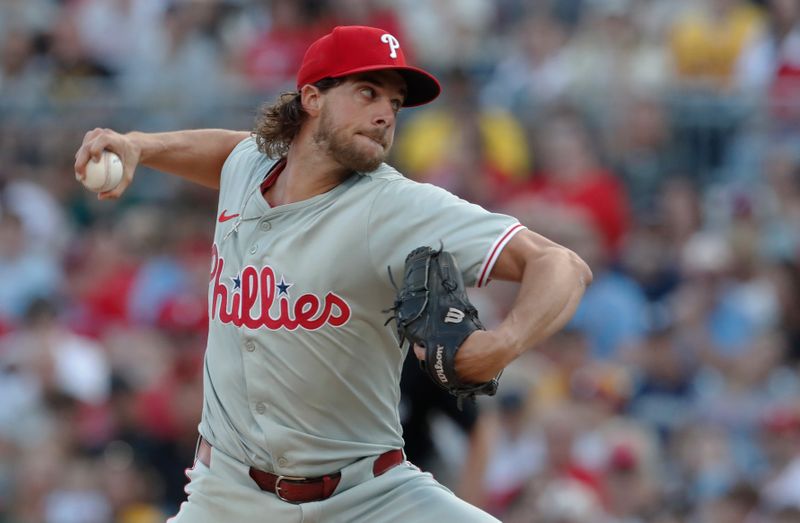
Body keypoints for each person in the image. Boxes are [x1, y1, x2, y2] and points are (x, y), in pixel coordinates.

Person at [73, 25, 591, 523]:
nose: (386, 114)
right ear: (312, 98)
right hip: (227, 496)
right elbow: (230, 151)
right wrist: (140, 145)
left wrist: (504, 343)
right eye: (367, 92)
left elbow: (561, 264)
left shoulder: (397, 207)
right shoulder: (250, 168)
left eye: (394, 103)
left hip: (368, 496)